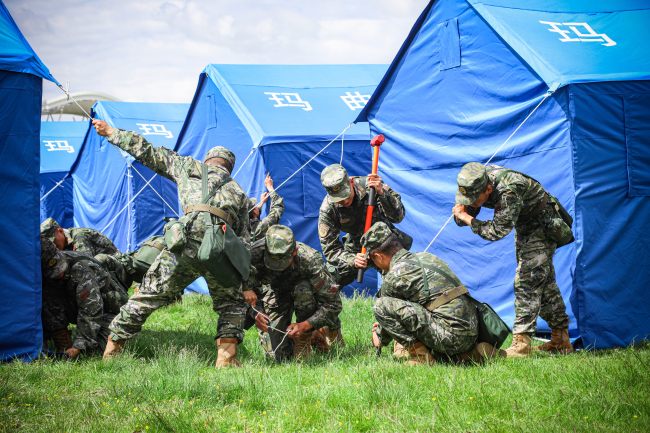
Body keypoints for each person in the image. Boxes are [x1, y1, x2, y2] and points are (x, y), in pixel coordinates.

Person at [92, 119, 254, 367]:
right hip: (219, 249)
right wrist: (246, 284)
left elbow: (148, 152)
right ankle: (226, 359)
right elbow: (244, 244)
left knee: (148, 295)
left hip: (185, 243)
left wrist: (111, 132)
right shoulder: (239, 191)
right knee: (231, 303)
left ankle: (112, 351)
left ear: (207, 160)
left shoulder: (188, 166)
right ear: (229, 168)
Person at [452, 162, 574, 357]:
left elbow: (495, 232)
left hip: (543, 225)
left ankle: (522, 343)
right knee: (545, 283)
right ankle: (561, 339)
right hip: (525, 224)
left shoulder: (509, 190)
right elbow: (465, 213)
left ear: (488, 189)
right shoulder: (475, 179)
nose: (472, 202)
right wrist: (463, 214)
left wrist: (467, 218)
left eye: (475, 199)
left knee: (528, 280)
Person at [363, 222, 503, 365]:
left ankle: (421, 357)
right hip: (473, 331)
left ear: (378, 256)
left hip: (451, 336)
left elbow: (388, 310)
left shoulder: (394, 275)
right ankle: (473, 353)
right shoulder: (426, 257)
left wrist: (379, 336)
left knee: (380, 306)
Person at [245, 225, 342, 362]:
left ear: (294, 252)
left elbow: (333, 304)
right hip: (276, 293)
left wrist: (305, 325)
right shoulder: (253, 254)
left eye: (283, 262)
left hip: (306, 297)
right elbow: (242, 291)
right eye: (272, 262)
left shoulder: (310, 260)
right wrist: (256, 313)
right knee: (278, 357)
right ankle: (314, 335)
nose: (278, 267)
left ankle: (307, 335)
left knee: (302, 289)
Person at [41, 237, 128, 359]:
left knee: (94, 351)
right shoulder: (44, 275)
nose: (59, 274)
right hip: (77, 306)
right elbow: (52, 304)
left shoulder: (80, 267)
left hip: (109, 311)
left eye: (60, 268)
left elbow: (91, 310)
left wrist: (79, 346)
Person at [40, 217, 118, 256]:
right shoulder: (66, 243)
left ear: (60, 231)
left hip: (117, 267)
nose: (53, 245)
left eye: (53, 241)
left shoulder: (79, 236)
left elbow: (86, 261)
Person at [249, 173, 285, 242]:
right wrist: (270, 187)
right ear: (255, 212)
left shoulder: (243, 227)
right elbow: (278, 207)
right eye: (255, 205)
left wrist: (261, 202)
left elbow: (252, 213)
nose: (257, 205)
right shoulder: (260, 228)